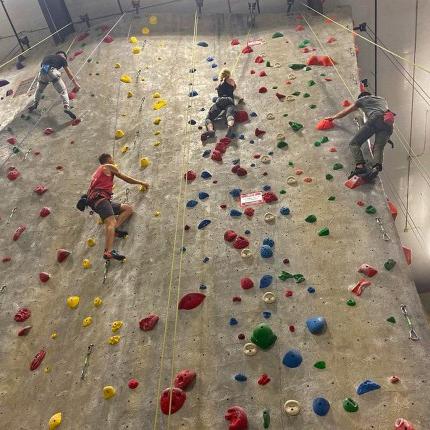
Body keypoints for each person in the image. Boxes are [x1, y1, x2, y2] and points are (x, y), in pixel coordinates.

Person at [86, 153, 149, 261]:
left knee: (128, 209)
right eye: (112, 159)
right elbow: (125, 178)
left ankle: (114, 230)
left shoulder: (97, 172)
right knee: (110, 222)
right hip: (100, 199)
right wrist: (142, 183)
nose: (114, 161)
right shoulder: (108, 166)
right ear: (109, 160)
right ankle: (108, 251)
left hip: (99, 200)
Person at [325, 91, 394, 180]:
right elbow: (384, 117)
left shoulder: (362, 100)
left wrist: (333, 117)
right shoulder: (382, 100)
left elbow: (346, 111)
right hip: (388, 125)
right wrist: (387, 138)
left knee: (354, 144)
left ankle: (360, 166)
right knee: (378, 147)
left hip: (375, 119)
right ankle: (376, 168)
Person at [29, 51, 80, 119]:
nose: (65, 58)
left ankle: (35, 104)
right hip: (52, 72)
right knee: (63, 92)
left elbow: (44, 67)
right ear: (63, 56)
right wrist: (76, 84)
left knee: (39, 90)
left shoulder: (47, 57)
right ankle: (66, 107)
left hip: (42, 72)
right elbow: (69, 73)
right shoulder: (62, 59)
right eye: (65, 56)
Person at [201, 68, 239, 142]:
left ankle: (211, 130)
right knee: (229, 115)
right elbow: (234, 87)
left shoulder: (219, 84)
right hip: (229, 100)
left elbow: (220, 91)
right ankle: (230, 127)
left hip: (219, 101)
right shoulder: (231, 80)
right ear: (229, 74)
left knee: (208, 118)